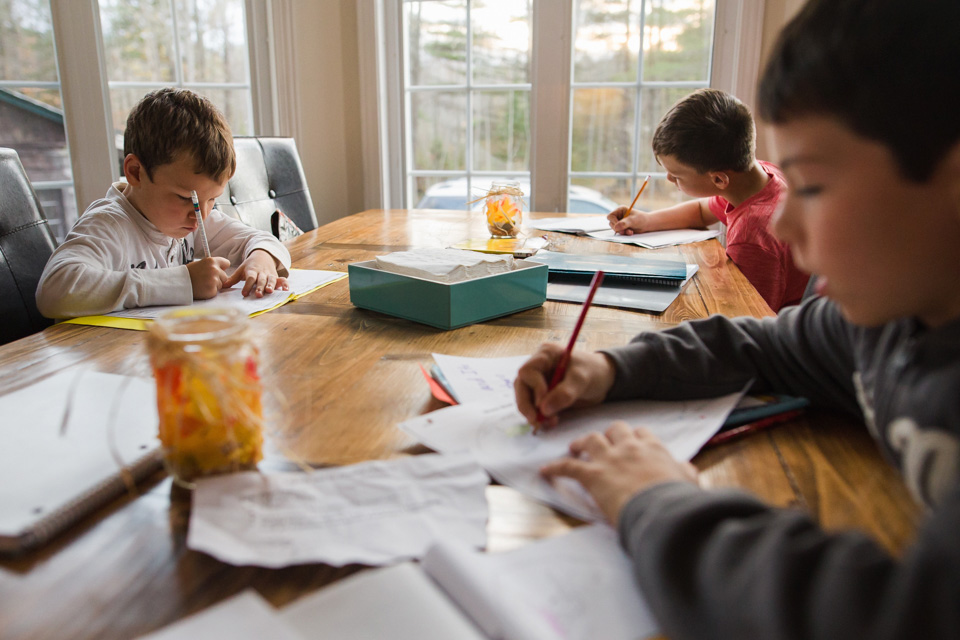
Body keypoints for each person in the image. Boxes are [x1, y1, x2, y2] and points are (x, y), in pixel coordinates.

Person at [515, 0, 960, 637]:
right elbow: (759, 344)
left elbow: (892, 616)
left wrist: (655, 501)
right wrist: (608, 366)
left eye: (811, 185)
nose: (781, 220)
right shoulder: (884, 324)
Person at [36, 88, 291, 319]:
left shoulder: (190, 219)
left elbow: (261, 240)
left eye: (212, 199)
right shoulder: (108, 225)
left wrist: (262, 259)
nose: (200, 216)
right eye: (184, 198)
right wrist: (182, 282)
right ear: (136, 172)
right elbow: (54, 291)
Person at [607, 89, 808, 311]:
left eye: (677, 175)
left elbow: (747, 317)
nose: (669, 178)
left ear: (719, 179)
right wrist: (646, 220)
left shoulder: (752, 236)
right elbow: (702, 211)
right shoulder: (758, 179)